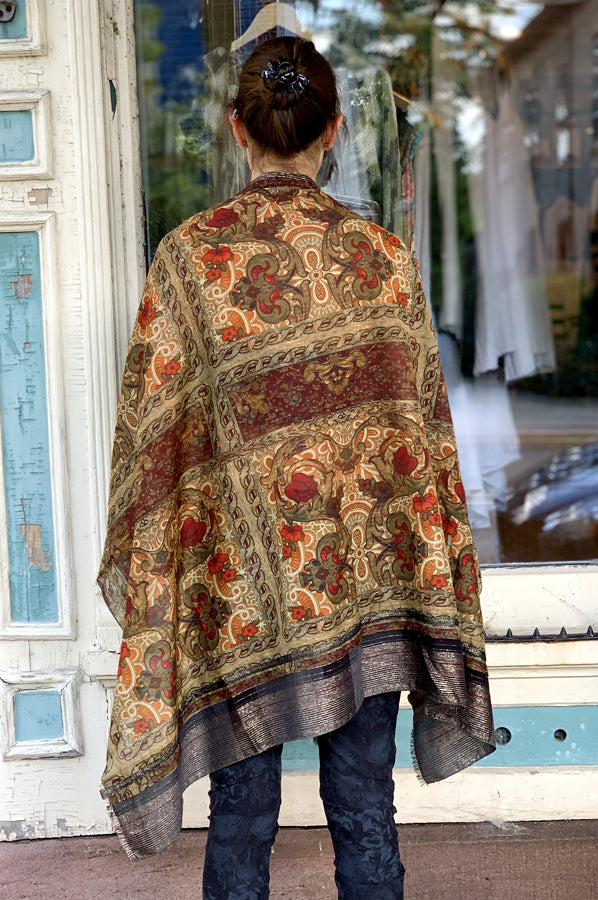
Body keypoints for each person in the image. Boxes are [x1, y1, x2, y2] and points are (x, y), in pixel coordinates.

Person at [98, 36, 495, 899]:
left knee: (241, 813)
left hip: (241, 599)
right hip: (365, 586)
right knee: (364, 803)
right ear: (336, 129)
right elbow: (421, 443)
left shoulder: (191, 261)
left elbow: (150, 447)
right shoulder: (383, 260)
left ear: (237, 129)